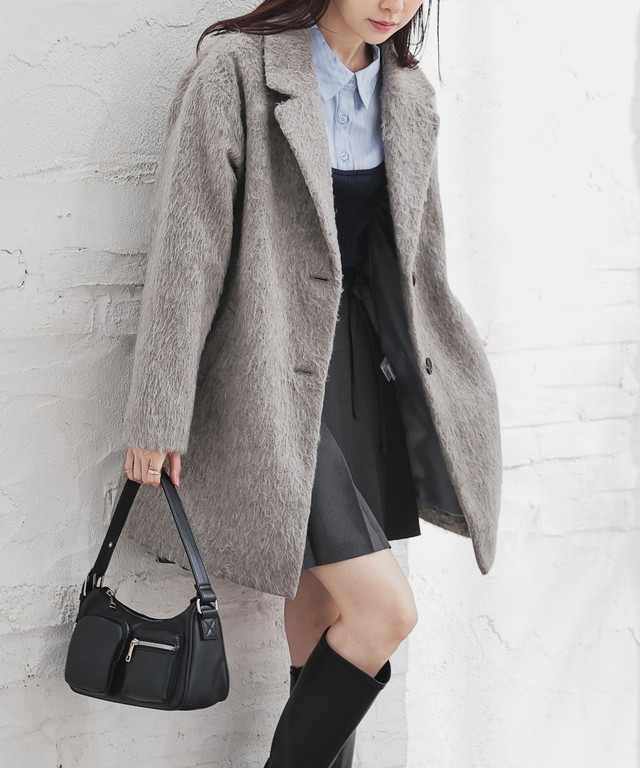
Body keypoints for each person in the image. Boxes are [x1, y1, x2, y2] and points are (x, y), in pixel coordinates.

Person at [121, 1, 503, 765]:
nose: (394, 4)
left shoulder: (407, 93)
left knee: (326, 615)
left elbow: (419, 262)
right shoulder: (236, 71)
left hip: (363, 379)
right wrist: (158, 409)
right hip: (268, 378)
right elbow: (186, 250)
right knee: (384, 614)